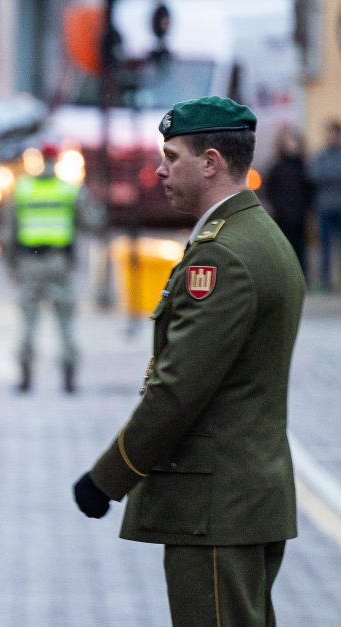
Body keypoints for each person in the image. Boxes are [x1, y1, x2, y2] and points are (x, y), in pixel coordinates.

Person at [73, 97, 305, 626]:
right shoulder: (258, 234)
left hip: (214, 508)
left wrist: (107, 479)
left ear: (211, 162)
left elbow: (178, 390)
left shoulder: (222, 255)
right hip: (244, 497)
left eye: (171, 156)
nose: (159, 169)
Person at [5, 143, 102, 394]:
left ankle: (25, 377)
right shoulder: (69, 190)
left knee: (28, 323)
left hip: (29, 263)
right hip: (59, 263)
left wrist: (11, 265)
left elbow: (7, 234)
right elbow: (94, 222)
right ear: (57, 160)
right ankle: (69, 379)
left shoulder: (22, 189)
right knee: (66, 324)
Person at [263, 124, 313, 281]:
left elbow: (309, 190)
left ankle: (303, 277)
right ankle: (286, 277)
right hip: (282, 214)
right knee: (284, 246)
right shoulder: (276, 166)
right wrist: (276, 206)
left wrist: (307, 209)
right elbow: (269, 189)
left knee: (300, 246)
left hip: (299, 214)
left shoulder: (303, 165)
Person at [307, 120, 341, 291]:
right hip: (324, 208)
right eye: (328, 132)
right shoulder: (320, 156)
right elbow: (313, 175)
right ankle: (325, 282)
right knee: (325, 248)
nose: (331, 136)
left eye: (334, 132)